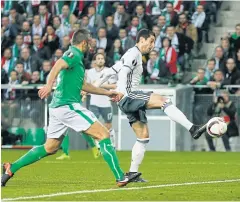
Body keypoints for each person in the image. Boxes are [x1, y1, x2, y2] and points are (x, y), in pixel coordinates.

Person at [1, 29, 140, 187]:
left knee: (50, 147)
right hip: (67, 106)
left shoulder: (77, 61)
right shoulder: (73, 54)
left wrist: (107, 93)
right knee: (103, 134)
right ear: (83, 43)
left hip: (58, 108)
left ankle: (11, 168)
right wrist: (48, 85)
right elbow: (58, 65)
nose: (90, 45)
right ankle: (121, 177)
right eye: (89, 42)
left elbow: (84, 85)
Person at [94, 29, 207, 182]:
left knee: (143, 137)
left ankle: (133, 173)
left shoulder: (131, 54)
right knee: (164, 101)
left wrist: (93, 87)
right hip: (129, 96)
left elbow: (110, 72)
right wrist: (120, 91)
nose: (153, 45)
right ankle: (192, 128)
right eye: (151, 41)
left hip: (125, 99)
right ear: (142, 40)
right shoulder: (134, 54)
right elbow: (123, 74)